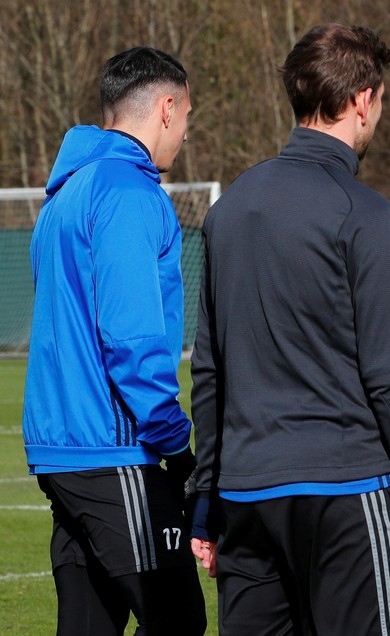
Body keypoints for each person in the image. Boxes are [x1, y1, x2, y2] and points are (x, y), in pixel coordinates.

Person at [189, 24, 390, 635]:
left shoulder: (227, 211)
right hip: (348, 495)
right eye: (380, 101)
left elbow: (210, 368)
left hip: (246, 499)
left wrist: (204, 502)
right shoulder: (369, 216)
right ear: (363, 99)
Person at [21, 47, 205, 635]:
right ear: (168, 108)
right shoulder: (127, 191)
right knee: (177, 619)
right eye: (188, 117)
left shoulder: (63, 196)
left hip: (62, 448)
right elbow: (129, 337)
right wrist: (176, 444)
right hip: (114, 448)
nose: (185, 134)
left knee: (88, 624)